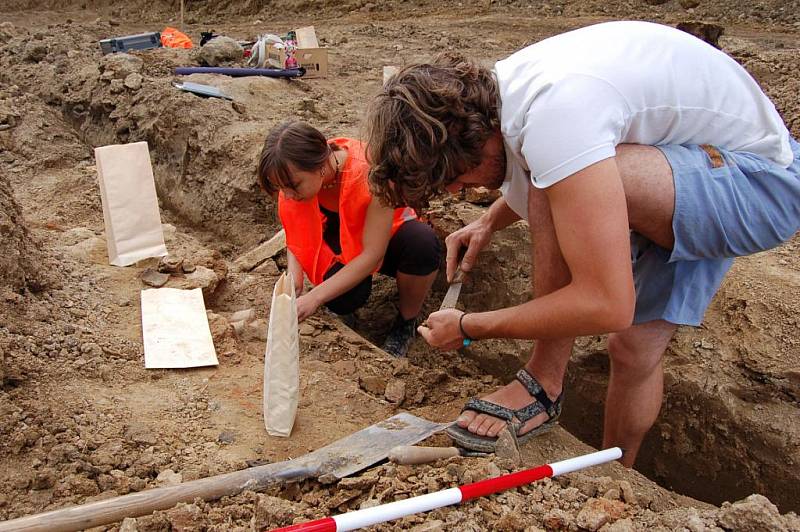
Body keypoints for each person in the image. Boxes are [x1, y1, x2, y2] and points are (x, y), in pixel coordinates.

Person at [365, 21, 800, 464]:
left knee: (550, 185)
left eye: (457, 180)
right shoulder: (506, 97)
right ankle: (622, 473)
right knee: (632, 350)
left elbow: (607, 304)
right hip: (690, 170)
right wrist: (490, 222)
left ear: (474, 142)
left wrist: (469, 326)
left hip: (761, 184)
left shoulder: (554, 113)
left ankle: (542, 381)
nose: (463, 193)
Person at [257, 121, 441, 358]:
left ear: (321, 166)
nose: (288, 195)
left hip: (388, 238)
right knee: (343, 298)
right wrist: (295, 277)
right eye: (282, 189)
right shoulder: (293, 176)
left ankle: (405, 324)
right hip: (345, 238)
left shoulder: (371, 174)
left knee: (423, 244)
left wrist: (315, 297)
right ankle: (347, 312)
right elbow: (296, 229)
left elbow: (373, 254)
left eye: (293, 187)